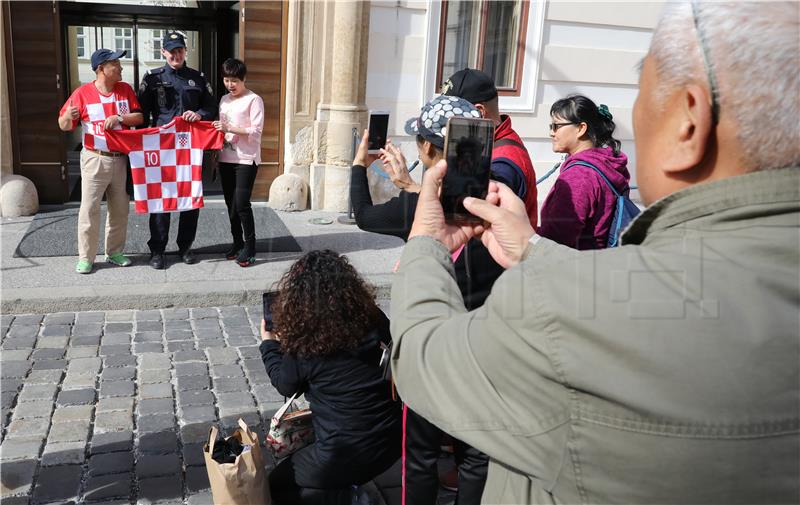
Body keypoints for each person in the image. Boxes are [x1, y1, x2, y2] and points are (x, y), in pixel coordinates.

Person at [389, 1, 799, 503]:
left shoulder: (557, 307)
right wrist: (536, 253)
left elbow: (423, 359)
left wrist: (427, 242)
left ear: (689, 121)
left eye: (642, 99)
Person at [350, 95, 495, 505]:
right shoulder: (494, 200)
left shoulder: (415, 209)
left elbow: (362, 214)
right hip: (481, 346)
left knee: (419, 454)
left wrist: (360, 164)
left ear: (428, 149)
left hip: (429, 350)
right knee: (475, 452)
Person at [260, 250, 401, 504]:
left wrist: (269, 344)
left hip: (341, 453)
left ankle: (348, 496)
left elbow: (284, 383)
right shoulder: (374, 317)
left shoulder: (307, 343)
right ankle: (348, 487)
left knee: (276, 484)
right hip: (390, 443)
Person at [58, 49, 144, 274]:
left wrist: (119, 118)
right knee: (89, 210)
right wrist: (68, 116)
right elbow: (64, 125)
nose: (121, 67)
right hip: (94, 158)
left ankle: (114, 252)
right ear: (101, 69)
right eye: (115, 63)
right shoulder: (82, 93)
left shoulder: (125, 90)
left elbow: (139, 117)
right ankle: (86, 257)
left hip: (121, 159)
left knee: (120, 209)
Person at [138, 30, 218, 269]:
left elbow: (211, 106)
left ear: (185, 51)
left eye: (180, 50)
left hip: (190, 147)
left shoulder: (198, 78)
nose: (176, 54)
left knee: (189, 197)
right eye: (171, 50)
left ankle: (185, 246)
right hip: (163, 148)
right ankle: (158, 250)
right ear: (163, 52)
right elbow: (142, 114)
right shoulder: (152, 78)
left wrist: (200, 114)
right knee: (161, 200)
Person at [441, 68, 537, 225]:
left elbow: (468, 214)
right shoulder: (491, 141)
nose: (445, 120)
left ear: (478, 111)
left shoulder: (503, 161)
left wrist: (411, 186)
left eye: (451, 112)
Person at [537, 94, 632, 249]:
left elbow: (556, 241)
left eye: (556, 126)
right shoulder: (604, 163)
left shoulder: (580, 175)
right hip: (597, 262)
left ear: (581, 128)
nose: (551, 133)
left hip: (576, 266)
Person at [212, 58, 264, 267]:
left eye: (234, 80)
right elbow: (219, 129)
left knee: (242, 203)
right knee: (231, 205)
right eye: (226, 80)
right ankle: (237, 243)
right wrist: (215, 154)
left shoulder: (254, 100)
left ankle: (250, 248)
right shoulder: (224, 100)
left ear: (243, 79)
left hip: (246, 158)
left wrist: (229, 128)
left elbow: (256, 131)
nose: (230, 84)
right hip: (226, 156)